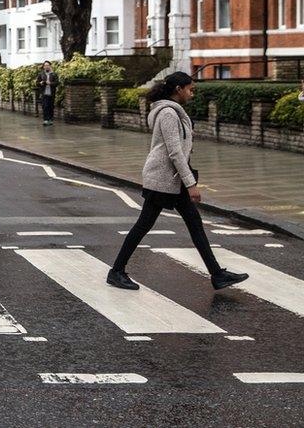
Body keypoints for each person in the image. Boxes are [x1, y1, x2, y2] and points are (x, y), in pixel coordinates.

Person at [106, 72, 249, 291]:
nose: (192, 94)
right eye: (190, 89)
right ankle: (116, 271)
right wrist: (191, 183)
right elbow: (174, 152)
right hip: (163, 178)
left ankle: (217, 274)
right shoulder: (168, 113)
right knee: (144, 225)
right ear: (179, 89)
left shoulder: (172, 112)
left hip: (172, 178)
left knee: (194, 224)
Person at [36, 61, 58, 126]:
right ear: (43, 66)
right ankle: (45, 120)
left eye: (48, 65)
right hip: (44, 93)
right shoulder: (41, 74)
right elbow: (37, 83)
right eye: (45, 65)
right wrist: (40, 83)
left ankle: (50, 119)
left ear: (50, 66)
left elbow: (57, 83)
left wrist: (50, 83)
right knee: (45, 107)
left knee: (51, 107)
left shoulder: (54, 74)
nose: (46, 66)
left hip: (51, 93)